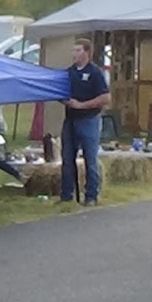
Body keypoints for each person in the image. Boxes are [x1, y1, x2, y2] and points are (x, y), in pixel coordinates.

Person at [60, 38, 110, 205]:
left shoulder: (95, 72)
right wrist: (65, 101)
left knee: (90, 159)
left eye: (78, 50)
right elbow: (61, 92)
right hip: (71, 119)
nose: (74, 54)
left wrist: (82, 105)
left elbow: (105, 97)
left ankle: (91, 195)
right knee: (67, 158)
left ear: (87, 52)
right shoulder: (69, 72)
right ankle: (67, 195)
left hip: (89, 119)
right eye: (73, 50)